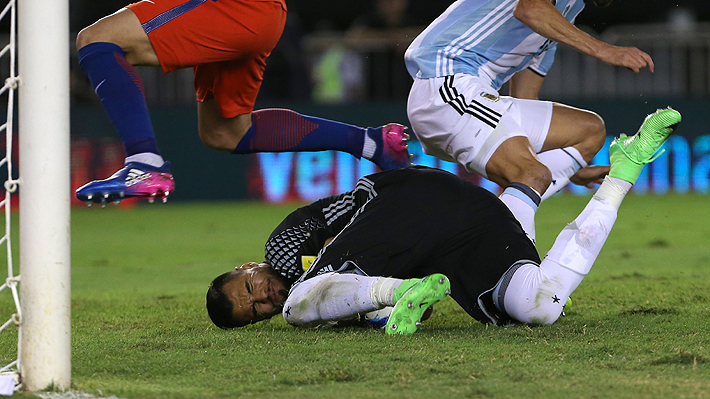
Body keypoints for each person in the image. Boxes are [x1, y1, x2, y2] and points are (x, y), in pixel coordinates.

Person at [206, 108, 681, 335]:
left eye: (249, 290)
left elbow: (341, 209)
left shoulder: (284, 254)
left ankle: (394, 295)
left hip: (400, 201)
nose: (264, 299)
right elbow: (426, 307)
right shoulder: (334, 303)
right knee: (536, 306)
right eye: (256, 311)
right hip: (456, 232)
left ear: (248, 267)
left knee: (300, 310)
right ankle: (626, 169)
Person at [73, 0, 411, 206]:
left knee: (97, 40)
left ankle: (144, 162)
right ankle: (372, 143)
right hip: (261, 15)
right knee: (225, 131)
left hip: (232, 6)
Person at [404, 0, 654, 243]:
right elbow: (529, 8)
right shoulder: (542, 10)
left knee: (588, 131)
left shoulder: (565, 12)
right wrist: (604, 49)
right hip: (447, 83)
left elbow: (525, 98)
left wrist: (568, 167)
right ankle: (510, 263)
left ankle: (479, 243)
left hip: (472, 95)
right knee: (532, 174)